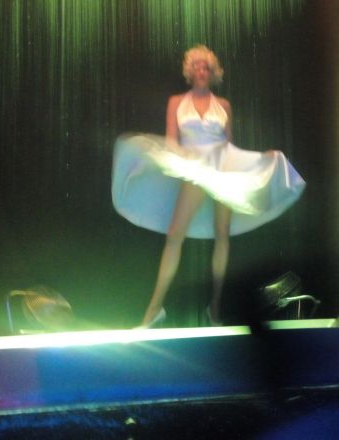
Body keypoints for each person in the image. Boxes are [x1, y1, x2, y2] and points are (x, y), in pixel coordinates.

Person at [111, 45, 305, 328]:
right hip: (194, 170)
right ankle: (154, 309)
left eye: (206, 67)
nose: (201, 70)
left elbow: (229, 147)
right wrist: (183, 160)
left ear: (212, 73)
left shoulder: (223, 105)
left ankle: (214, 308)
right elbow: (172, 141)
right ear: (189, 72)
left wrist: (261, 159)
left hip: (222, 170)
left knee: (222, 235)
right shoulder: (177, 102)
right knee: (175, 235)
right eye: (197, 66)